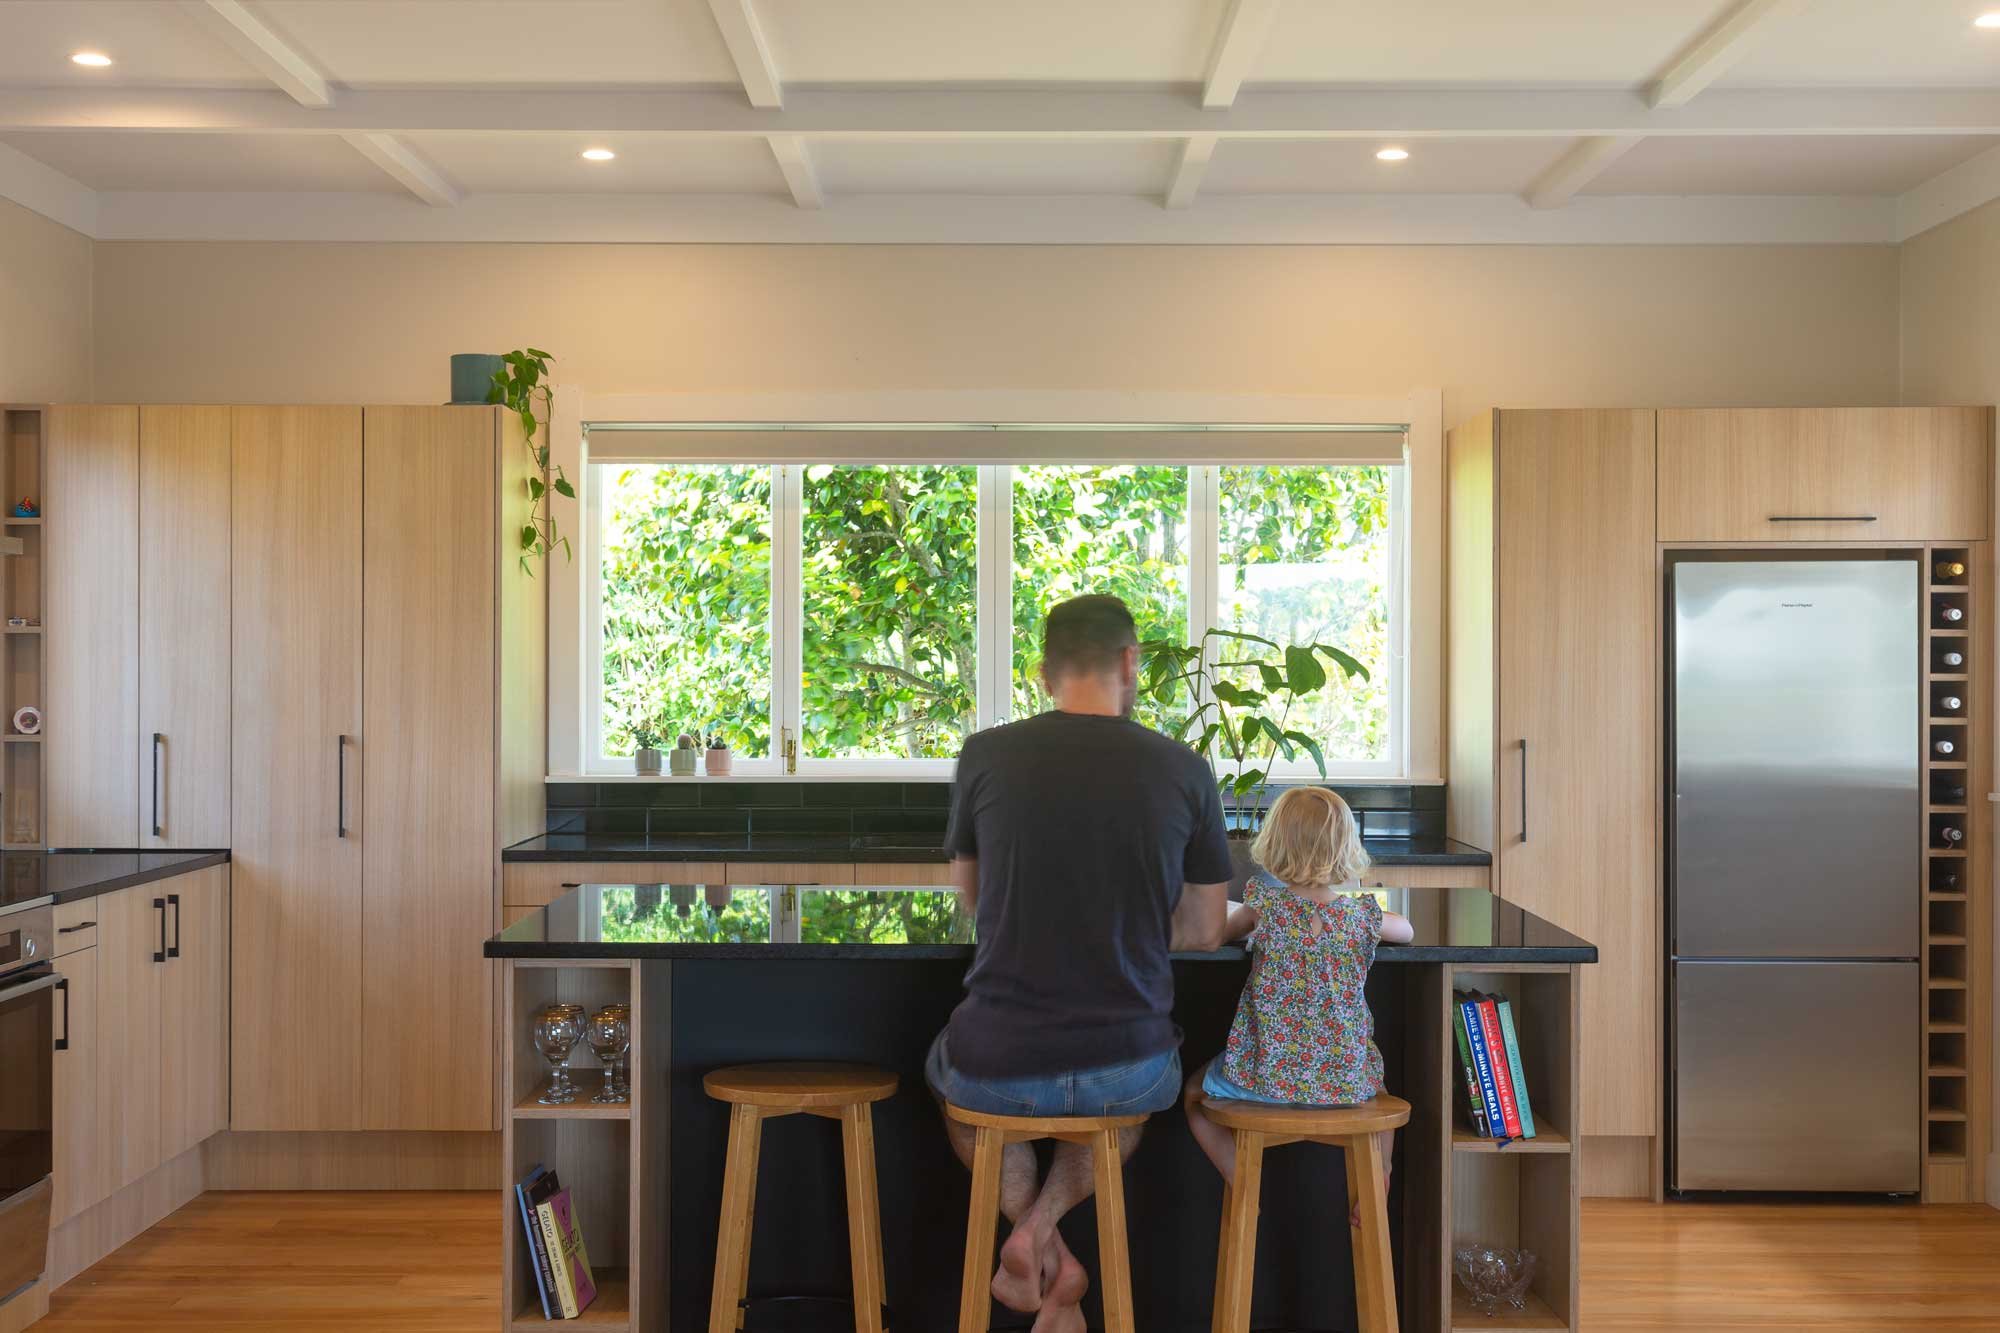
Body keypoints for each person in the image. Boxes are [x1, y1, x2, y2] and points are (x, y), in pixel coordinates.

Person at [926, 593, 1233, 1333]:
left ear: (1042, 674)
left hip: (994, 1060)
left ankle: (1042, 1247)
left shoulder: (985, 755)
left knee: (956, 1092)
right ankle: (1048, 1244)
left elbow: (972, 900)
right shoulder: (1186, 769)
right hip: (1125, 1063)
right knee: (1119, 1118)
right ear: (1131, 663)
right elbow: (1201, 929)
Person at [1182, 785, 1415, 1222]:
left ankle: (1246, 1187)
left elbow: (1216, 935)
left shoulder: (1263, 906)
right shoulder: (1361, 915)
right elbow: (1406, 931)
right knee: (1379, 1093)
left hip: (1264, 1079)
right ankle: (1379, 1172)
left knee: (1195, 1094)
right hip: (1344, 1080)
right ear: (1346, 849)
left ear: (1274, 846)